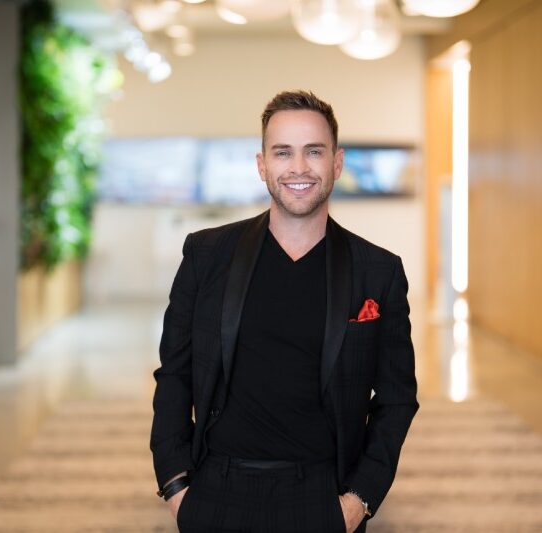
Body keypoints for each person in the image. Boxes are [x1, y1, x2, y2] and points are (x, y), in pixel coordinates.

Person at [150, 90, 418, 533]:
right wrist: (176, 485)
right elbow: (174, 375)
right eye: (282, 152)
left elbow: (397, 398)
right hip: (218, 487)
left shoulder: (378, 272)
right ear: (262, 165)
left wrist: (360, 499)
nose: (298, 168)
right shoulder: (206, 255)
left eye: (314, 151)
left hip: (324, 494)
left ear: (337, 162)